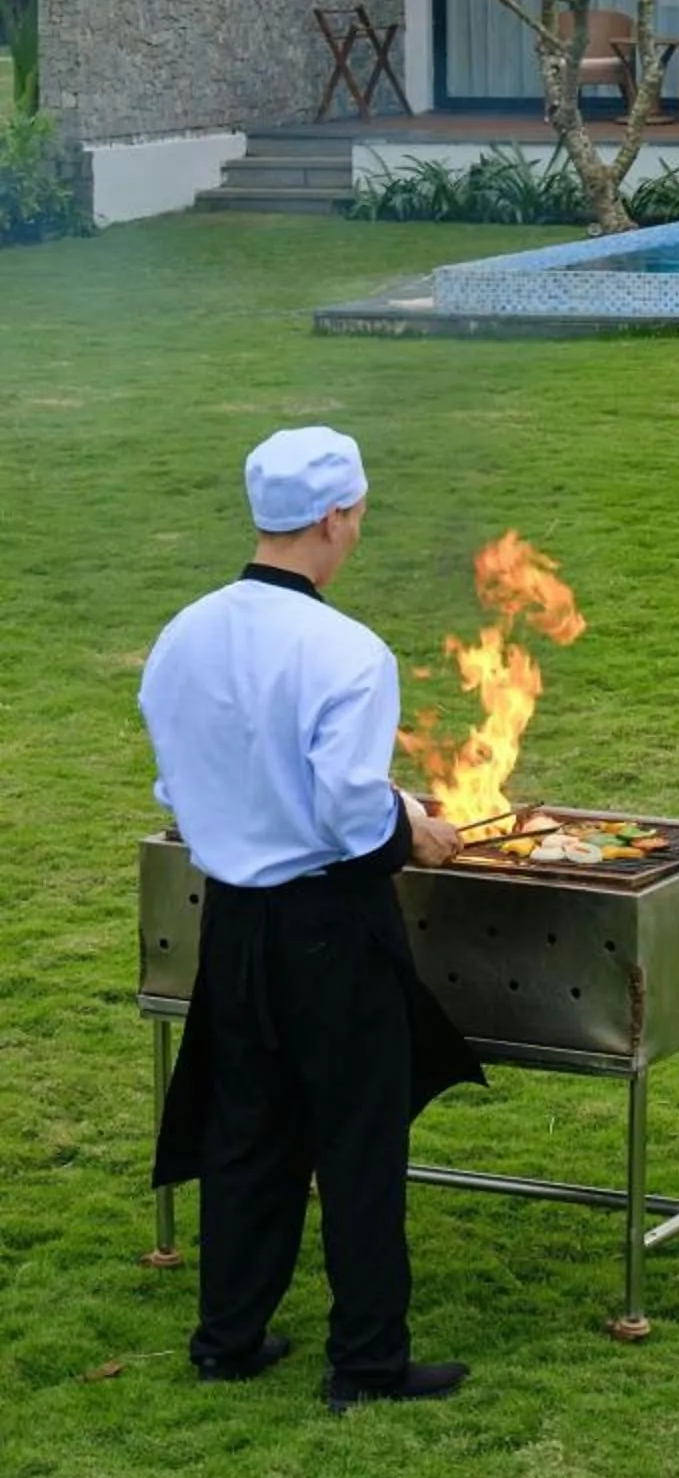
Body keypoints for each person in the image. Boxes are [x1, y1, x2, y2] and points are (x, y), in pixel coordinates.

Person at [139, 426, 483, 1412]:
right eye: (360, 515)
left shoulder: (184, 633)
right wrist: (412, 829)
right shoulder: (350, 651)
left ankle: (227, 1340)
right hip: (333, 923)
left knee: (248, 1127)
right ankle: (367, 1364)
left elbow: (178, 780)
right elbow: (346, 811)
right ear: (336, 517)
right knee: (359, 1140)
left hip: (234, 921)